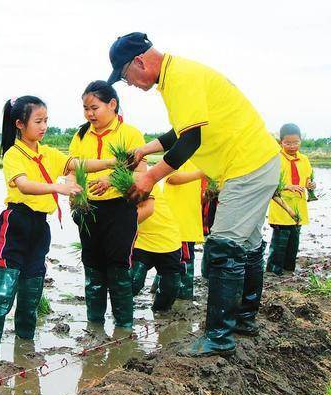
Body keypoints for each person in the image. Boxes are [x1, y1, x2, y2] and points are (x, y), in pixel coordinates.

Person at [107, 32, 281, 356]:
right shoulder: (178, 74)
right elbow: (182, 131)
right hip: (258, 162)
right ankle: (243, 321)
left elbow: (190, 142)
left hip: (247, 166)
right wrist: (146, 148)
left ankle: (218, 339)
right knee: (250, 244)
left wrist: (149, 180)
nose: (128, 84)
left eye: (125, 76)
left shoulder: (181, 79)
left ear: (139, 62)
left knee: (224, 248)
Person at [0, 95, 117, 351]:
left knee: (32, 292)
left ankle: (25, 348)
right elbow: (24, 185)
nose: (43, 127)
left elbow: (77, 164)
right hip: (16, 223)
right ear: (20, 124)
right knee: (4, 293)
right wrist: (58, 187)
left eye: (46, 121)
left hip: (39, 228)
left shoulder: (48, 153)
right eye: (38, 121)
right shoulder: (13, 154)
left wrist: (111, 161)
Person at [68, 81, 146, 330]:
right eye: (85, 109)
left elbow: (141, 174)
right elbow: (72, 168)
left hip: (119, 209)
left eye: (94, 107)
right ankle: (94, 326)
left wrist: (110, 181)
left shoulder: (130, 134)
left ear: (112, 105)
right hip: (88, 209)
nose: (89, 114)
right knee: (92, 265)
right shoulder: (80, 135)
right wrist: (72, 190)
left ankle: (124, 327)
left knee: (118, 266)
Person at [150, 160, 205, 299]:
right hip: (179, 222)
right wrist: (202, 173)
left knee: (168, 259)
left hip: (187, 221)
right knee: (183, 260)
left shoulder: (201, 160)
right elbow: (172, 178)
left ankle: (158, 291)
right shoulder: (184, 154)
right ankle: (182, 299)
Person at [266, 123, 315, 275]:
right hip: (282, 206)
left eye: (296, 142)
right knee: (280, 241)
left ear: (301, 141)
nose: (292, 146)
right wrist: (288, 186)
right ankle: (274, 271)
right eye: (288, 143)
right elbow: (270, 182)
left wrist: (311, 185)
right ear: (281, 142)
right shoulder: (276, 159)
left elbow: (307, 178)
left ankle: (289, 270)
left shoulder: (304, 160)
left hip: (298, 207)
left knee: (294, 241)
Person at [131, 181, 182, 312]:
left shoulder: (145, 181)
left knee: (170, 288)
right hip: (141, 240)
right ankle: (122, 315)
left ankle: (161, 315)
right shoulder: (111, 182)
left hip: (167, 238)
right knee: (133, 281)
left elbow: (148, 210)